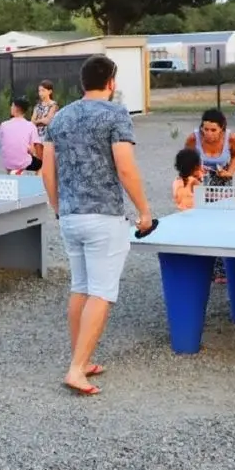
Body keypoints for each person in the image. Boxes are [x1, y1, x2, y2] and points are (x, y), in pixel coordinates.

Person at [42, 54, 152, 396]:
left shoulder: (60, 117)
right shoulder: (116, 114)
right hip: (104, 216)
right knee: (102, 293)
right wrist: (144, 210)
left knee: (81, 288)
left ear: (82, 82)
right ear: (111, 82)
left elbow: (47, 170)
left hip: (71, 217)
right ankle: (77, 369)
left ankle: (82, 358)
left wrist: (60, 208)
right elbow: (125, 167)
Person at [184, 109, 235, 282]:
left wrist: (229, 172)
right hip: (201, 185)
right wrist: (194, 175)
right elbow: (186, 160)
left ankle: (223, 270)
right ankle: (204, 268)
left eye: (213, 130)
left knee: (223, 226)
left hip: (222, 185)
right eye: (205, 129)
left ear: (222, 128)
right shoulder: (193, 138)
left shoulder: (231, 138)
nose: (208, 134)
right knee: (202, 226)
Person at [0, 97, 42, 175]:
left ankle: (11, 172)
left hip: (7, 163)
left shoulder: (3, 125)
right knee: (41, 164)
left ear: (16, 108)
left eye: (12, 106)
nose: (11, 108)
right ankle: (35, 180)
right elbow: (35, 147)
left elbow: (4, 143)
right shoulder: (31, 125)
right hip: (24, 162)